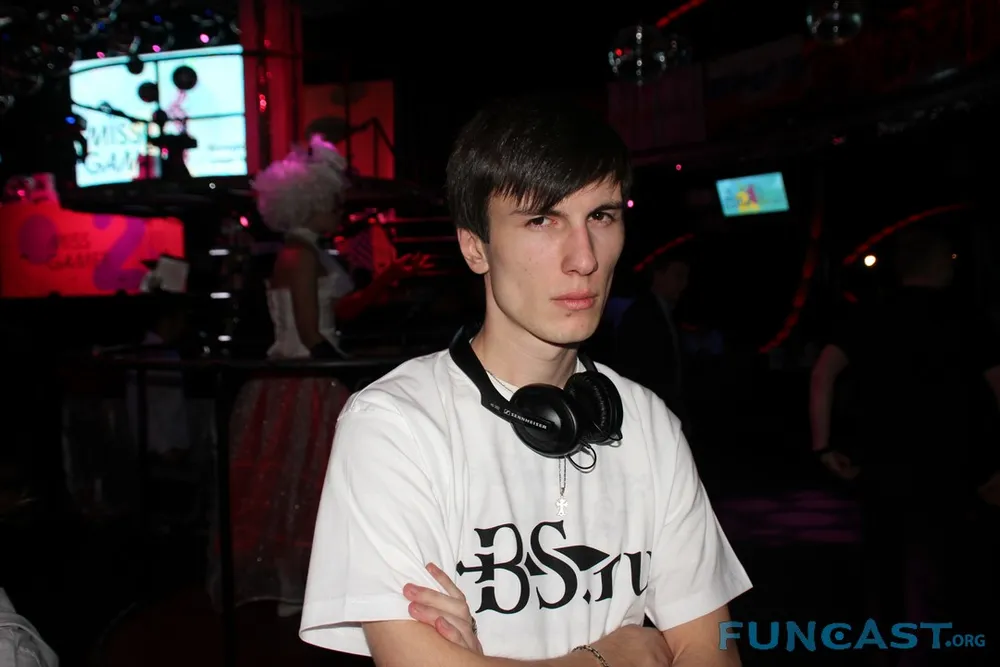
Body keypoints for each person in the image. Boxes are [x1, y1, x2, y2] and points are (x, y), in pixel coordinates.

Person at [300, 97, 751, 666]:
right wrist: (609, 658)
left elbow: (710, 651)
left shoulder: (648, 422)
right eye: (542, 220)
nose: (584, 259)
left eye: (601, 217)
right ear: (475, 246)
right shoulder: (395, 426)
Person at [210, 135, 424, 617]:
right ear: (309, 204)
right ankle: (298, 587)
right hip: (304, 380)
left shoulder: (304, 252)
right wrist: (352, 379)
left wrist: (386, 281)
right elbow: (310, 333)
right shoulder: (301, 255)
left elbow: (334, 315)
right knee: (307, 485)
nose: (339, 211)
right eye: (333, 203)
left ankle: (303, 585)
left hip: (301, 377)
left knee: (303, 485)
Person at [810, 228, 1000, 666]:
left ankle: (893, 647)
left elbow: (822, 373)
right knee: (946, 570)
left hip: (882, 463)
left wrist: (823, 445)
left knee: (887, 567)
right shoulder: (965, 317)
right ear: (940, 263)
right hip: (953, 464)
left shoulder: (869, 313)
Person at [614, 254, 691, 421]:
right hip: (651, 411)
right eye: (678, 276)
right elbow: (633, 367)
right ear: (658, 275)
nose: (684, 283)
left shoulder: (670, 314)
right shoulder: (641, 314)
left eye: (685, 277)